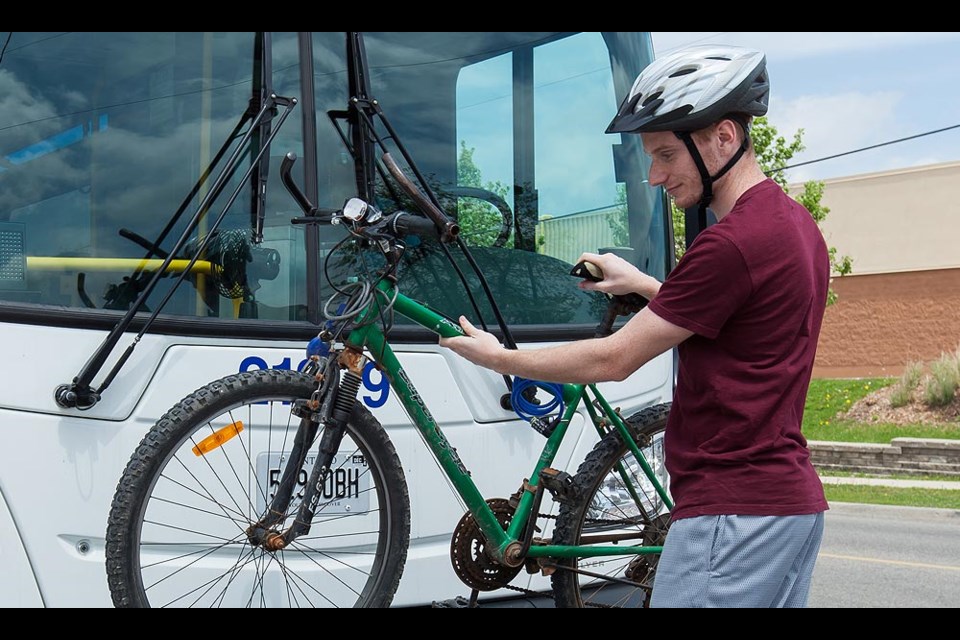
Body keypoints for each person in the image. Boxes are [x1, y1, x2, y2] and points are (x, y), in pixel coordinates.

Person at [439, 44, 830, 608]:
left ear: (724, 137)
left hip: (731, 515)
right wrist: (644, 285)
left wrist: (497, 357)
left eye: (666, 154)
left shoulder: (729, 243)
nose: (654, 176)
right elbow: (737, 318)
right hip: (788, 509)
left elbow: (612, 360)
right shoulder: (794, 226)